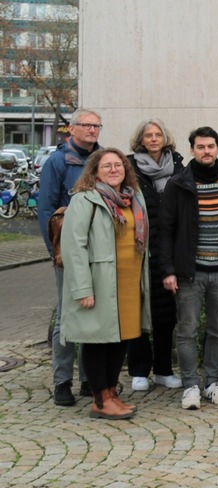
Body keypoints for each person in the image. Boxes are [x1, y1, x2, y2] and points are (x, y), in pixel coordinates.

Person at [59, 150, 151, 420]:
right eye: (107, 166)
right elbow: (74, 247)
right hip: (100, 282)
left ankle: (111, 392)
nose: (114, 170)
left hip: (128, 282)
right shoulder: (85, 199)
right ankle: (99, 399)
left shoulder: (133, 198)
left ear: (126, 169)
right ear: (95, 171)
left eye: (118, 165)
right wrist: (82, 289)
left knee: (121, 338)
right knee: (98, 340)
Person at [158, 127, 218, 410]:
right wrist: (168, 270)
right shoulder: (179, 183)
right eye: (201, 147)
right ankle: (191, 385)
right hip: (189, 271)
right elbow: (165, 230)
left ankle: (213, 383)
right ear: (192, 149)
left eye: (211, 146)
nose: (207, 151)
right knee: (188, 330)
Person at [39, 108, 103, 407]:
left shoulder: (103, 159)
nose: (92, 130)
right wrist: (55, 249)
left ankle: (89, 378)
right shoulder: (58, 161)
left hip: (99, 252)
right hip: (68, 251)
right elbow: (46, 209)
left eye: (96, 126)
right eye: (86, 125)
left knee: (93, 315)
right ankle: (62, 381)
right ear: (72, 129)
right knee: (67, 316)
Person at [125, 119, 185, 392]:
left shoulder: (179, 167)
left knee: (165, 315)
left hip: (170, 251)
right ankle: (139, 370)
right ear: (140, 139)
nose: (153, 138)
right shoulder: (129, 167)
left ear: (165, 137)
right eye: (148, 135)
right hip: (139, 252)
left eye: (157, 134)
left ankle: (163, 369)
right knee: (138, 312)